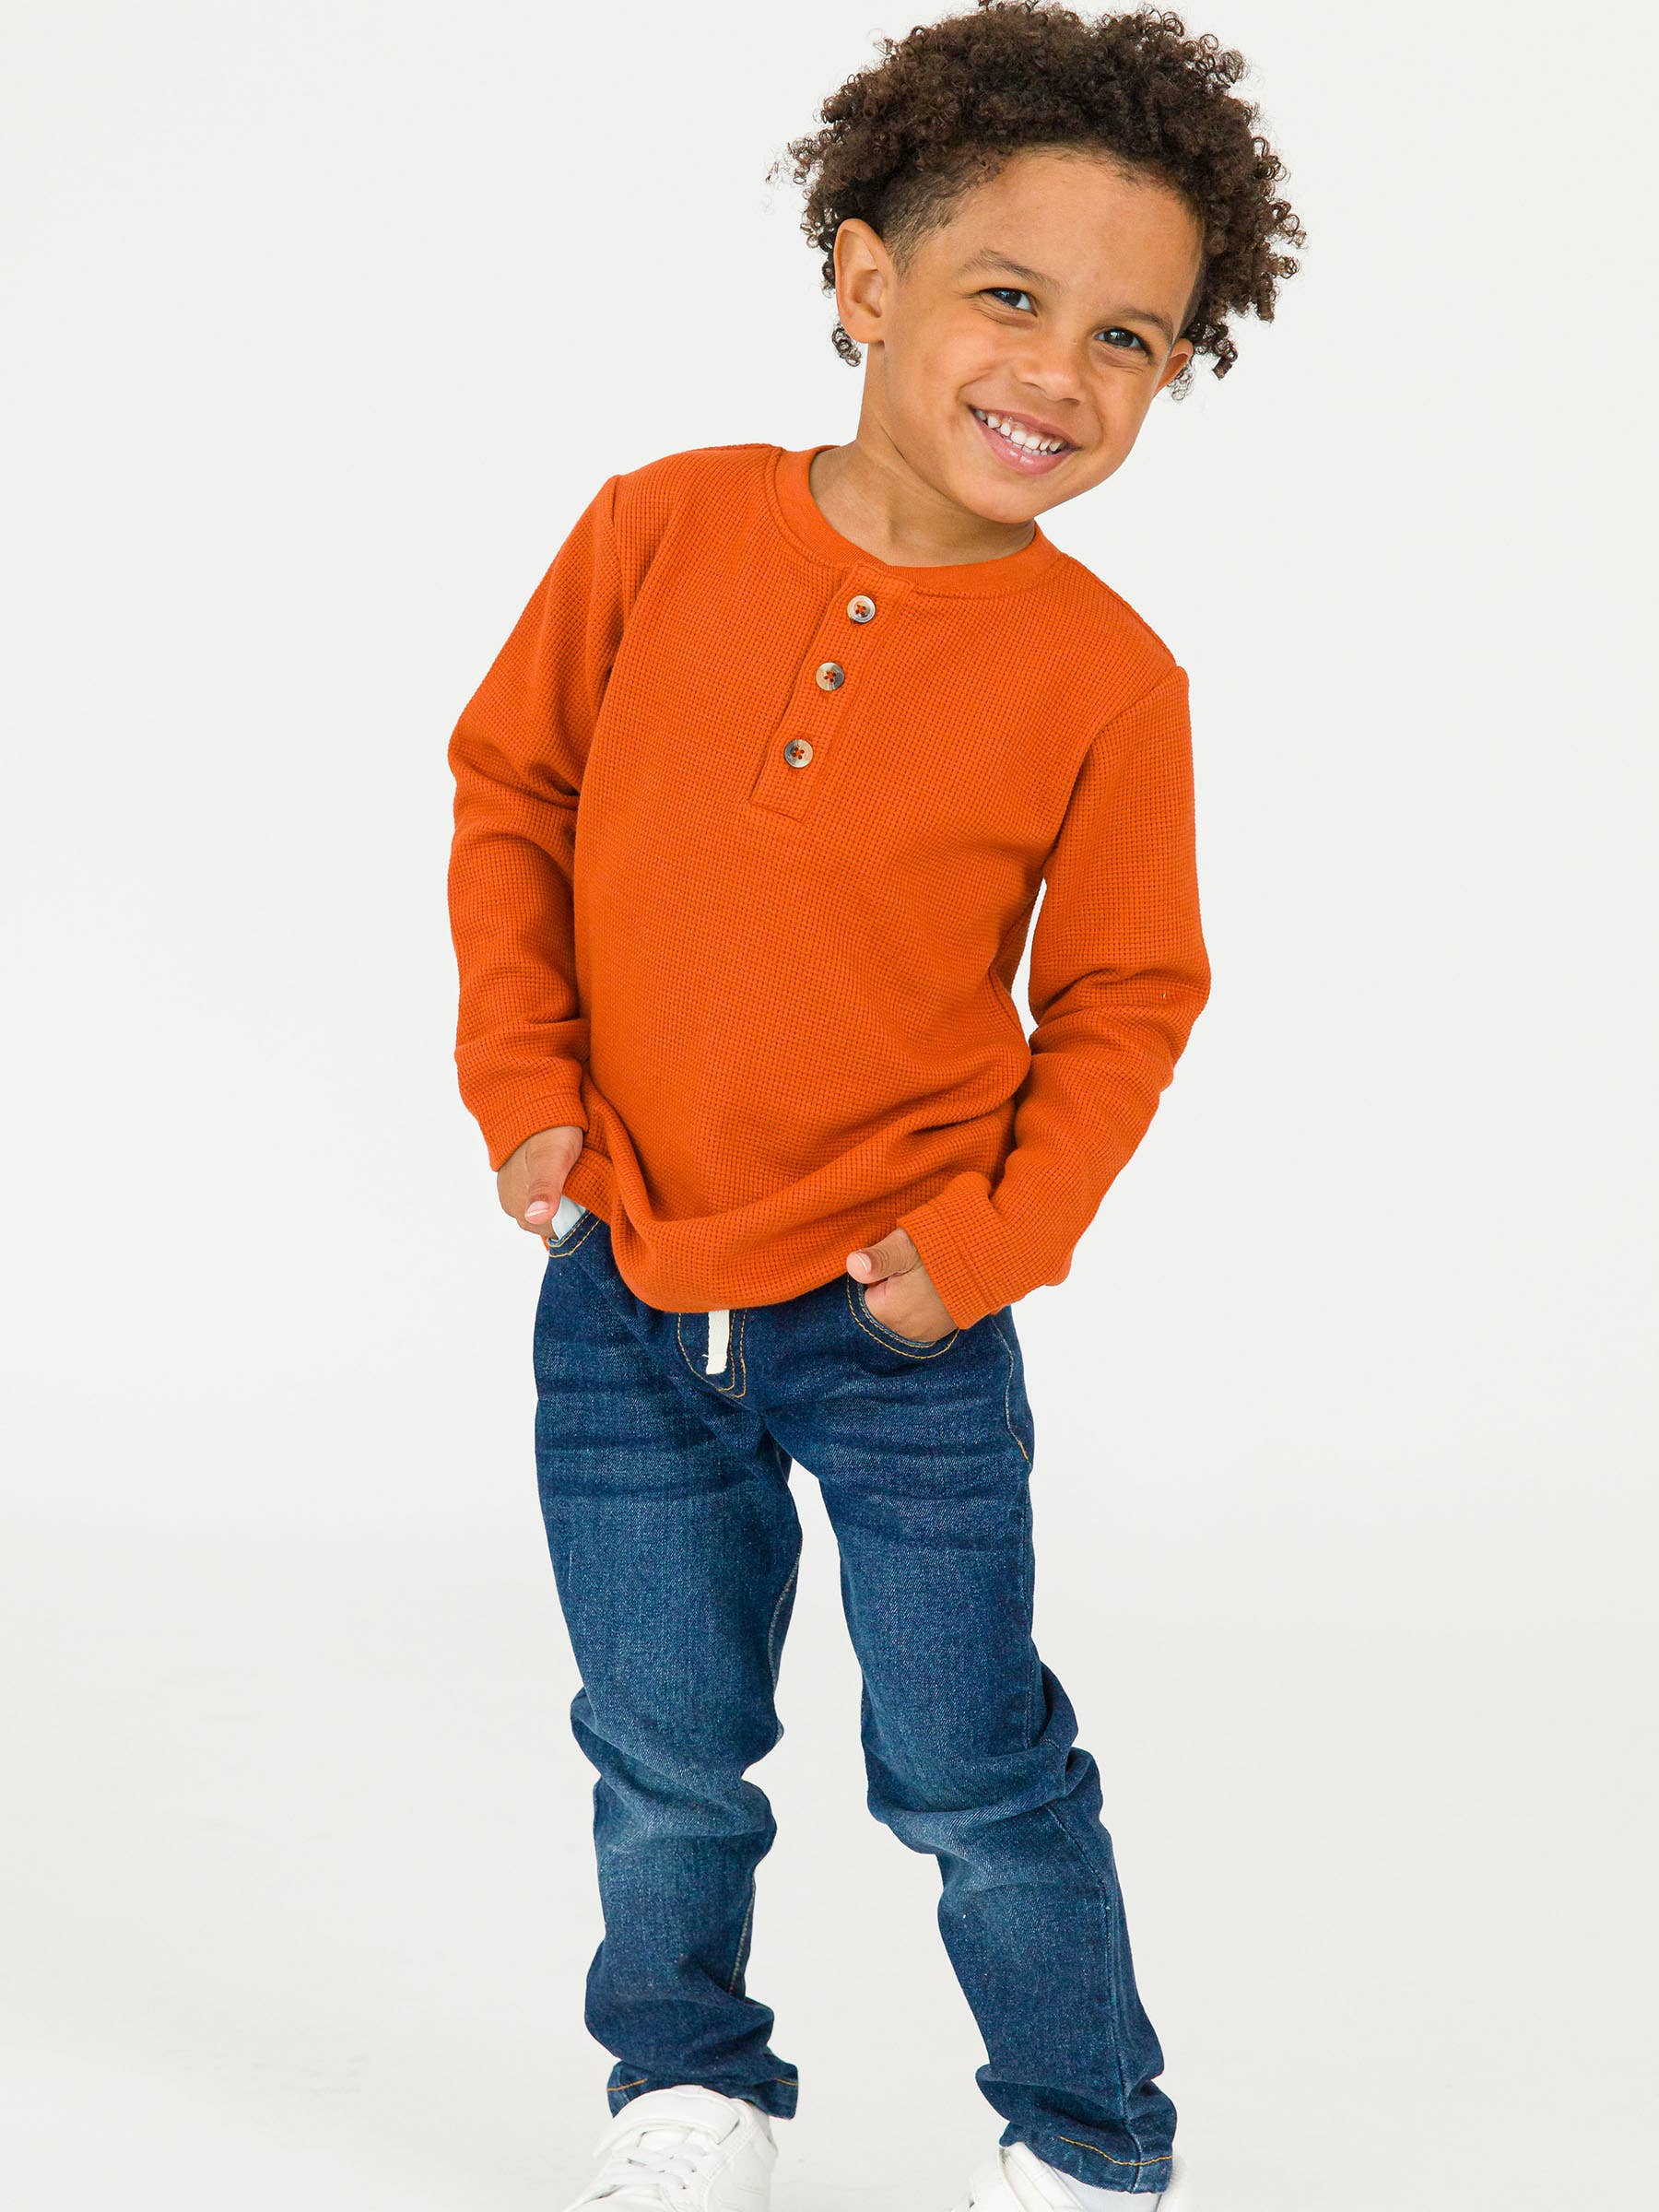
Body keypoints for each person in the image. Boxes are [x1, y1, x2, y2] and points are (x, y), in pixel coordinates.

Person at [444, 6, 1303, 2205]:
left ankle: (1088, 2141)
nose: (1061, 372)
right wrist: (526, 1087)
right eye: (1011, 295)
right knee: (663, 1751)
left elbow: (1126, 995)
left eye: (1130, 338)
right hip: (629, 1285)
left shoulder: (1107, 680)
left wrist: (992, 1247)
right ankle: (688, 2090)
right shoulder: (658, 528)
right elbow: (514, 793)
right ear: (863, 281)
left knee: (969, 1767)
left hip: (899, 1313)